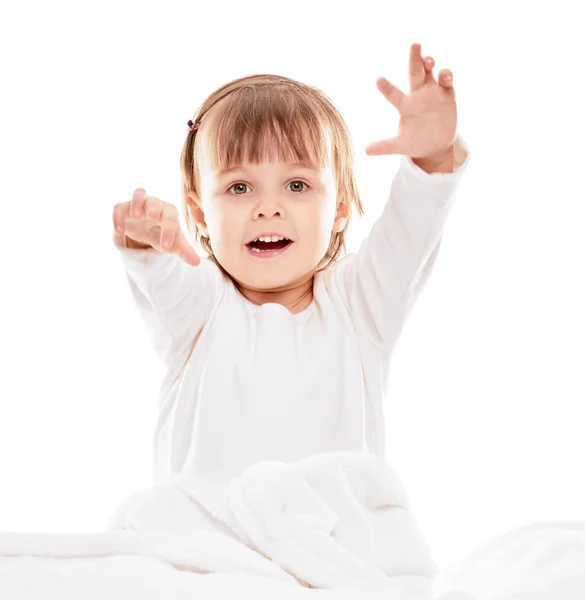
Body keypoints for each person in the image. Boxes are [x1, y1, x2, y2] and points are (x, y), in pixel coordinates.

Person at [111, 43, 471, 486]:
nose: (268, 207)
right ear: (201, 215)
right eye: (240, 188)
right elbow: (162, 275)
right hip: (209, 546)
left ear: (339, 208)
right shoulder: (201, 308)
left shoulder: (360, 303)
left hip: (329, 544)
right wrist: (145, 239)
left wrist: (432, 156)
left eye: (297, 184)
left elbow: (412, 227)